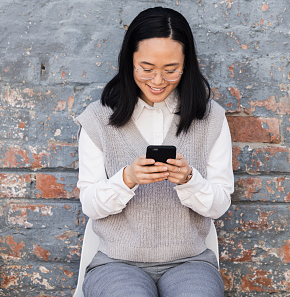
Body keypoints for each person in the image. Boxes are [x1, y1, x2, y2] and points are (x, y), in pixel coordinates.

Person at [76, 6, 234, 297]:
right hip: (116, 262)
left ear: (187, 64)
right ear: (129, 62)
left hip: (191, 261)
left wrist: (190, 180)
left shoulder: (211, 119)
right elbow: (90, 204)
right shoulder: (97, 119)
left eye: (170, 70)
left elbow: (220, 204)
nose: (158, 81)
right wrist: (127, 178)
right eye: (146, 69)